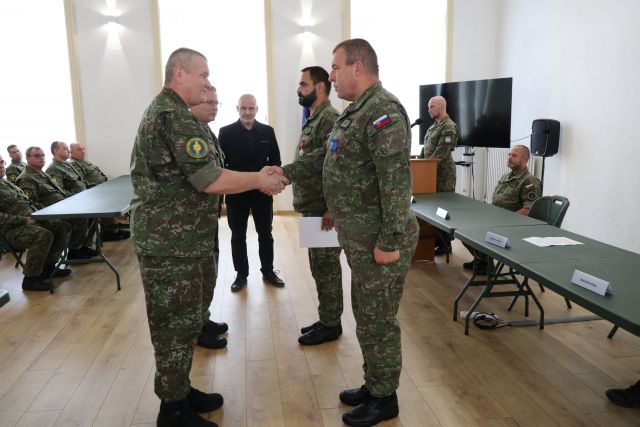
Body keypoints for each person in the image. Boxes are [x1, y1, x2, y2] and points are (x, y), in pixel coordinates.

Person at [130, 47, 287, 427]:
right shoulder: (172, 117)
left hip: (180, 240)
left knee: (185, 323)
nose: (206, 83)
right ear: (179, 74)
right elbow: (210, 179)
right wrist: (260, 178)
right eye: (202, 75)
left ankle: (180, 392)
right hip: (170, 244)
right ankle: (172, 410)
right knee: (173, 327)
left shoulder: (176, 114)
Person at [323, 38, 419, 427]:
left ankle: (384, 399)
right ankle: (373, 383)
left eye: (336, 67)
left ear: (358, 67)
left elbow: (395, 183)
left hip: (381, 241)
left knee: (378, 319)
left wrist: (389, 242)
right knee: (365, 314)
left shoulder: (382, 112)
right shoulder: (356, 111)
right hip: (361, 239)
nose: (331, 76)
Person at [277, 66, 344, 346]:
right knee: (319, 266)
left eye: (303, 84)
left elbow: (333, 165)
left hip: (323, 209)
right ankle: (327, 318)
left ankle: (331, 325)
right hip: (313, 206)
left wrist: (332, 207)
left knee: (326, 267)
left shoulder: (329, 119)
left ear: (319, 87)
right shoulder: (315, 118)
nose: (298, 89)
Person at [218, 94, 285, 292]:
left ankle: (268, 271)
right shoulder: (225, 132)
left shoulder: (268, 131)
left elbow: (276, 162)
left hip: (262, 192)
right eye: (243, 108)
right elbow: (221, 165)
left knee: (266, 233)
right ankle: (241, 274)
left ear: (257, 109)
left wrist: (268, 182)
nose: (247, 112)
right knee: (237, 235)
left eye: (251, 108)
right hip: (236, 193)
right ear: (237, 109)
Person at [189, 85, 228, 350]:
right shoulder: (190, 134)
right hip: (192, 223)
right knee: (197, 278)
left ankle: (202, 319)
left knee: (209, 272)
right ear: (194, 104)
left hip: (207, 219)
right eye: (209, 103)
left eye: (217, 103)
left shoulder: (206, 132)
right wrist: (258, 179)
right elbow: (210, 178)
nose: (214, 107)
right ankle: (195, 330)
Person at [463, 144, 541, 274]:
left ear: (524, 159)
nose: (509, 157)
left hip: (511, 225)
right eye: (509, 154)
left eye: (514, 155)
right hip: (495, 219)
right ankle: (482, 260)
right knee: (463, 227)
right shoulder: (506, 177)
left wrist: (505, 221)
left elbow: (528, 210)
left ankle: (485, 262)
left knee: (474, 230)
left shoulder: (530, 182)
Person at [0, 154, 71, 291]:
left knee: (61, 225)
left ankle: (48, 267)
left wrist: (44, 213)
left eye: (2, 162)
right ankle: (30, 279)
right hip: (10, 229)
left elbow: (27, 203)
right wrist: (24, 220)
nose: (1, 165)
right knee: (43, 235)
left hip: (31, 219)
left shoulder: (5, 183)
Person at [16, 146, 97, 260]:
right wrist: (55, 208)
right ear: (28, 158)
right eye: (37, 156)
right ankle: (74, 251)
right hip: (49, 213)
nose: (41, 158)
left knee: (91, 212)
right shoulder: (27, 178)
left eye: (43, 155)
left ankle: (82, 246)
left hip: (60, 207)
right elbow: (31, 204)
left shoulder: (41, 173)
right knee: (79, 217)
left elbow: (58, 192)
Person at [418, 95, 458, 255]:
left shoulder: (449, 127)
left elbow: (441, 153)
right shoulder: (432, 127)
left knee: (442, 209)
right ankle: (437, 240)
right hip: (430, 173)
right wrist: (419, 164)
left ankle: (446, 244)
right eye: (428, 107)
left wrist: (425, 168)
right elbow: (425, 149)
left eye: (432, 106)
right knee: (432, 209)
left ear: (441, 107)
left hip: (443, 175)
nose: (428, 110)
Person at [68, 142, 131, 241]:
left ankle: (113, 228)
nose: (83, 152)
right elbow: (81, 181)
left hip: (102, 188)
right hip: (94, 192)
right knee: (110, 202)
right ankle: (110, 231)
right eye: (79, 150)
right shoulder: (73, 164)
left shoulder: (84, 162)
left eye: (83, 149)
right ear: (71, 151)